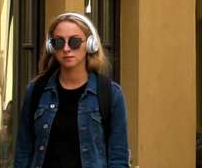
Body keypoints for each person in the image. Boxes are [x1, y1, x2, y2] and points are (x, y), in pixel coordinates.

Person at [10, 12, 130, 168]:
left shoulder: (111, 94)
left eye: (74, 42)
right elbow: (23, 152)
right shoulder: (36, 91)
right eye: (59, 42)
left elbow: (118, 158)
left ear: (90, 44)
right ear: (51, 47)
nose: (66, 48)